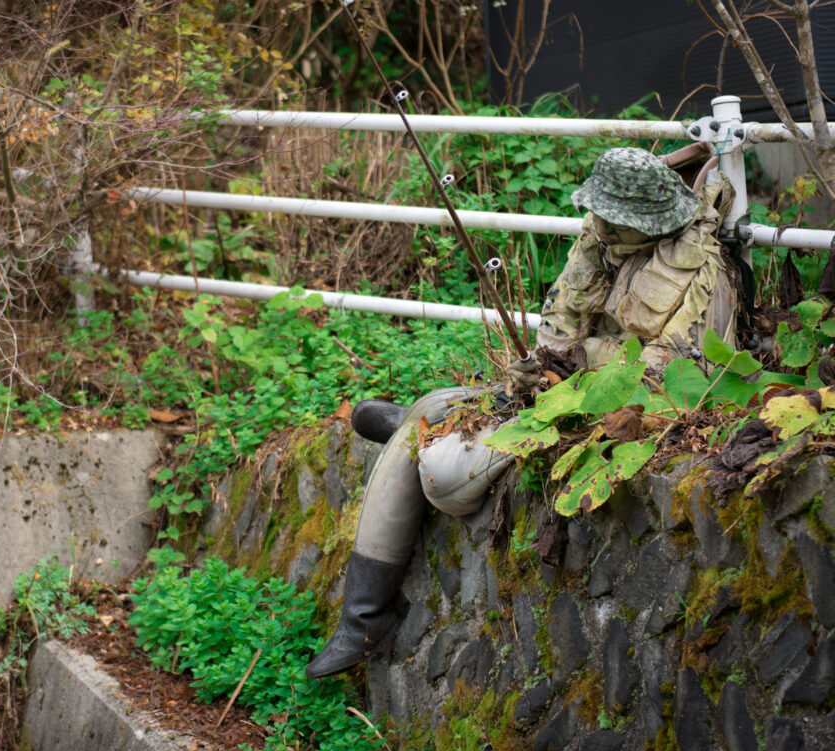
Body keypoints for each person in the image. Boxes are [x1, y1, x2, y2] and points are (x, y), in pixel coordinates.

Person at [304, 147, 737, 679]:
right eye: (595, 215)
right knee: (431, 407)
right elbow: (557, 328)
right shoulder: (600, 244)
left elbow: (679, 378)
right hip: (555, 391)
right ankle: (362, 620)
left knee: (438, 471)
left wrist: (580, 365)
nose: (596, 227)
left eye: (609, 221)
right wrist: (545, 366)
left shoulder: (701, 271)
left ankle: (369, 604)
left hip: (605, 411)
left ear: (640, 223)